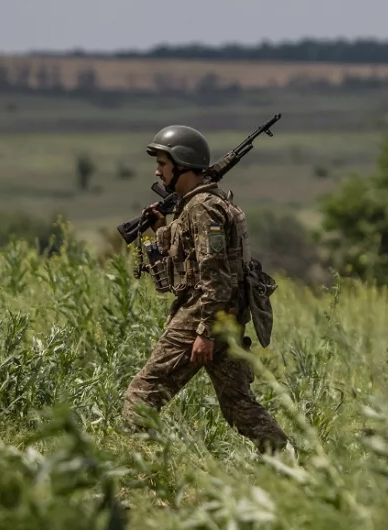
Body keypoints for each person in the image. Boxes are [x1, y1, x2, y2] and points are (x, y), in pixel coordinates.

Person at [122, 124, 289, 453]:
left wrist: (203, 332)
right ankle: (288, 460)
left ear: (182, 165)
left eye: (162, 163)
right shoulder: (197, 206)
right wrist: (161, 230)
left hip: (204, 314)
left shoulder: (202, 208)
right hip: (223, 316)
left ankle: (142, 472)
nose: (157, 170)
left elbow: (215, 277)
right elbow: (182, 267)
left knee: (141, 397)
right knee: (238, 405)